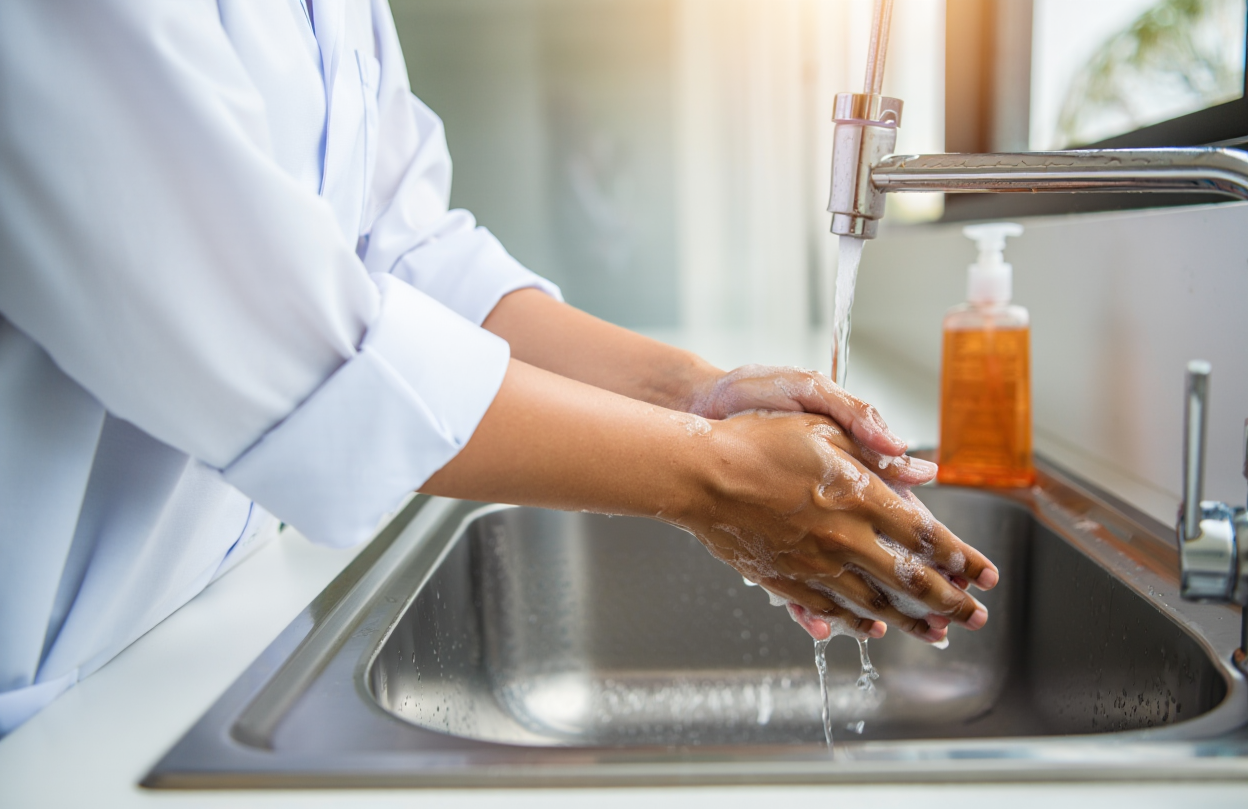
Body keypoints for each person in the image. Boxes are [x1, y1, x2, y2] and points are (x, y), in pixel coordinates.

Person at [0, 0, 996, 736]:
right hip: (54, 709)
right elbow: (306, 345)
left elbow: (409, 253)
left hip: (192, 639)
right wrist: (715, 474)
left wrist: (696, 395)